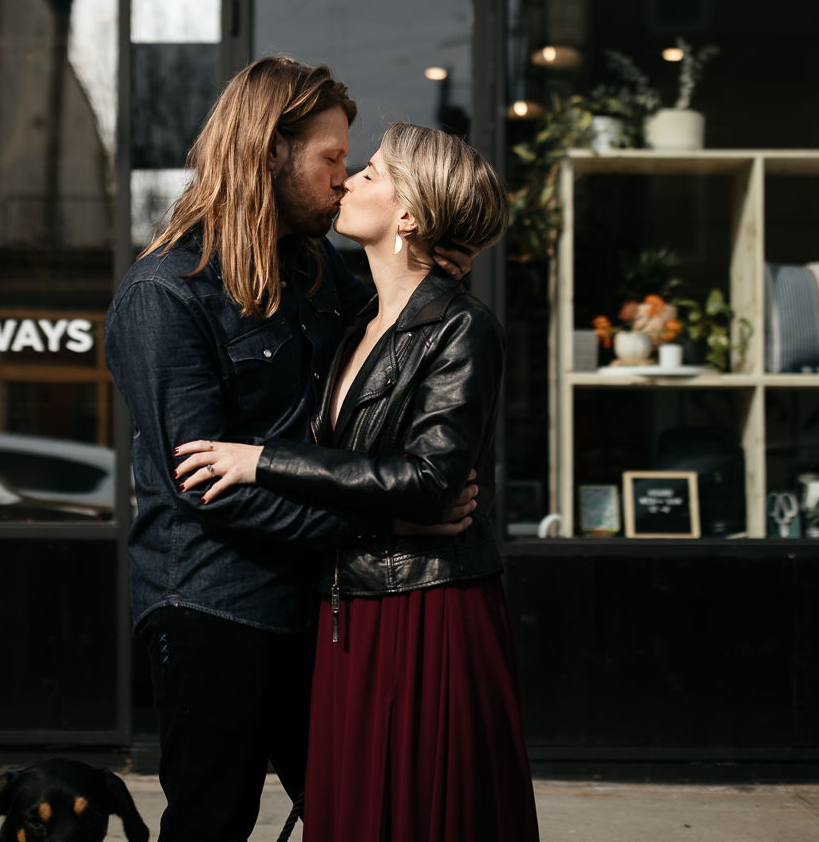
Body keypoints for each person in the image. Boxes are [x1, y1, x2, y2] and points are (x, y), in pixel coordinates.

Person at [105, 58, 477, 842]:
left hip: (321, 600)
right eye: (331, 160)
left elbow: (394, 350)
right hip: (212, 602)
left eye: (350, 163)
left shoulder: (316, 274)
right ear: (269, 153)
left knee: (351, 809)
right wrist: (382, 528)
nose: (344, 181)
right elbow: (208, 487)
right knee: (215, 818)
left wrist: (437, 268)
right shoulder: (165, 295)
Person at [173, 122, 540, 842]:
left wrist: (261, 459)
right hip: (350, 607)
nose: (347, 182)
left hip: (426, 605)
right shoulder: (358, 321)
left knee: (423, 810)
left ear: (408, 215)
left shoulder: (462, 327)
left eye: (369, 172)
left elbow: (432, 481)